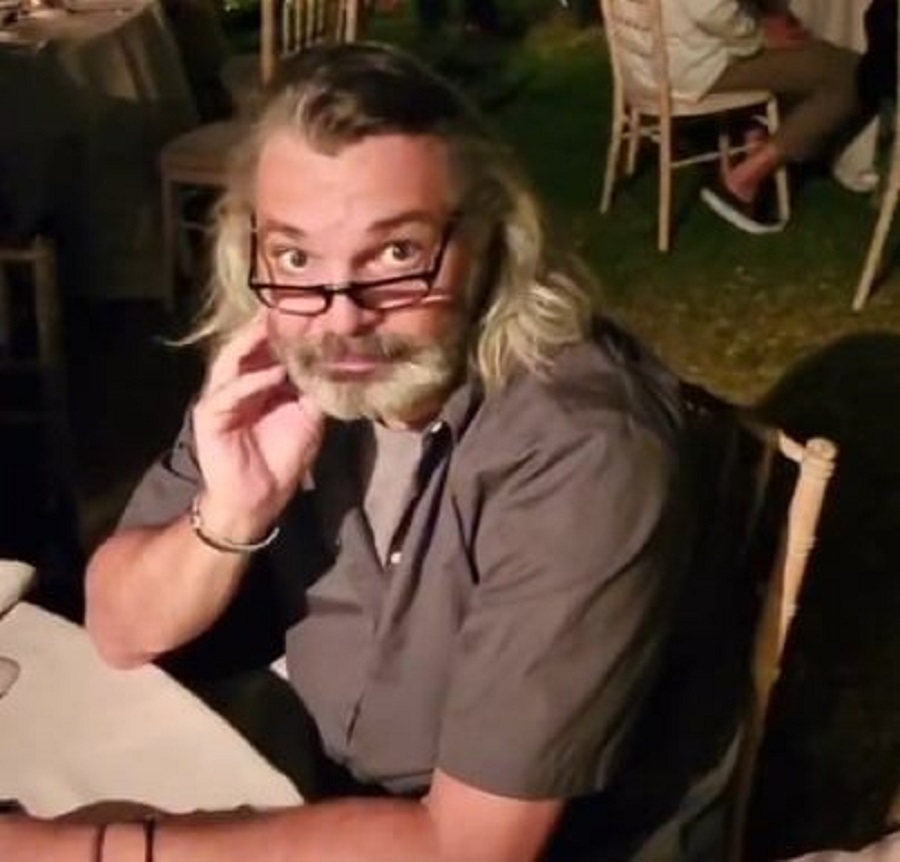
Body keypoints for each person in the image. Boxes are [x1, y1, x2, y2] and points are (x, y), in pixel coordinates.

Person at [0, 42, 747, 862]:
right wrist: (229, 517)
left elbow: (470, 848)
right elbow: (119, 629)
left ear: (493, 236)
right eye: (295, 256)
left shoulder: (581, 450)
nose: (342, 317)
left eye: (396, 254)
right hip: (331, 782)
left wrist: (73, 852)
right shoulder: (282, 365)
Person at [655, 0, 861, 234]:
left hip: (649, 58)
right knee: (850, 72)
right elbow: (710, 11)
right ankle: (743, 180)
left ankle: (752, 141)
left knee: (790, 32)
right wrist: (759, 36)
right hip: (697, 65)